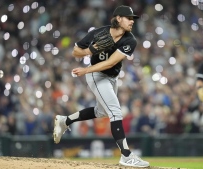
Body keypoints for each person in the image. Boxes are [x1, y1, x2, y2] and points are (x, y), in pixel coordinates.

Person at [53, 5, 149, 167]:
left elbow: (111, 62)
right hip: (96, 75)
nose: (132, 21)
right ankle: (126, 155)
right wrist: (90, 51)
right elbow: (75, 51)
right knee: (115, 111)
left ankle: (65, 121)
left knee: (101, 111)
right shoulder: (98, 33)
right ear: (118, 18)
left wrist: (86, 68)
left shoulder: (130, 39)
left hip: (110, 75)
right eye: (129, 18)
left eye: (133, 19)